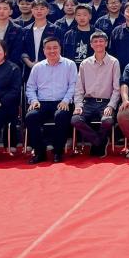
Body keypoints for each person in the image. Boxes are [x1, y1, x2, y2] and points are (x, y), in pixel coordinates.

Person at [24, 36, 77, 164]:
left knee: (61, 116)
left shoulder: (70, 64)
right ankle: (40, 152)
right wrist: (33, 100)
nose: (52, 51)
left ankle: (58, 151)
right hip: (41, 102)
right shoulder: (38, 67)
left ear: (60, 48)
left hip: (62, 102)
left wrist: (66, 100)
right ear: (43, 50)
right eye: (48, 48)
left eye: (55, 48)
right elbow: (30, 87)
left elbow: (73, 85)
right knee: (31, 116)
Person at [70, 31, 120, 157]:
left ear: (106, 43)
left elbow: (117, 89)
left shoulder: (114, 62)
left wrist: (111, 106)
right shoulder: (85, 63)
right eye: (95, 41)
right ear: (91, 45)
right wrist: (78, 105)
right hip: (88, 102)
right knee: (76, 120)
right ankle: (99, 142)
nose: (98, 44)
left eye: (101, 41)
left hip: (105, 102)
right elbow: (79, 88)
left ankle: (97, 144)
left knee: (107, 121)